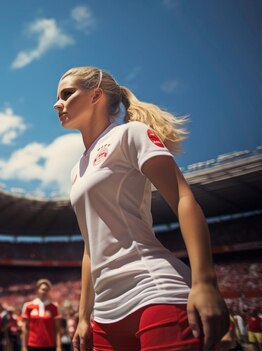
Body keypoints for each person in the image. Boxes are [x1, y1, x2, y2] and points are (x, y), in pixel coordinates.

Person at [53, 67, 229, 351]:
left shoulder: (131, 134)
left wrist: (205, 281)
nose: (57, 103)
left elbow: (183, 197)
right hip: (106, 314)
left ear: (96, 95)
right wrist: (84, 316)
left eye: (67, 94)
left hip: (154, 292)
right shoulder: (77, 170)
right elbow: (90, 247)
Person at [21, 279, 61, 351]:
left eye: (46, 289)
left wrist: (59, 347)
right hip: (32, 344)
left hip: (49, 345)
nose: (44, 291)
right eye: (42, 289)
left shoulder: (54, 307)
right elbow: (25, 328)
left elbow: (57, 329)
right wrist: (24, 346)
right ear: (37, 290)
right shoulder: (28, 306)